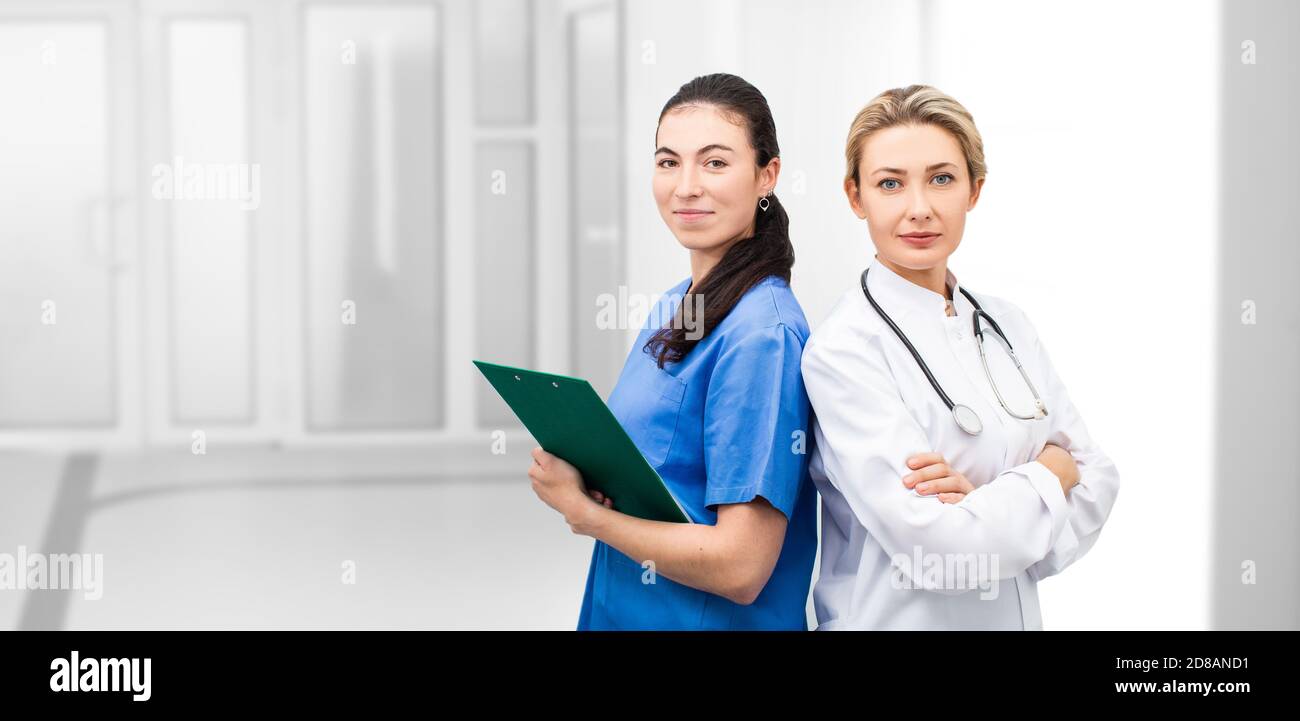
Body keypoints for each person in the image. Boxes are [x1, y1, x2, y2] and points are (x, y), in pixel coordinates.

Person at [802, 84, 1121, 630]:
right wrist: (1048, 471)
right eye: (890, 184)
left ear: (975, 189)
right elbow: (940, 554)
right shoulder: (843, 350)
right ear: (856, 197)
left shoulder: (1007, 324)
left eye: (942, 178)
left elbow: (1099, 479)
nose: (919, 208)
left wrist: (987, 510)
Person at [526, 73, 817, 630]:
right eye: (667, 162)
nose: (686, 186)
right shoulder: (678, 305)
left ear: (767, 175)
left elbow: (741, 565)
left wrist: (585, 514)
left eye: (714, 162)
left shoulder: (763, 336)